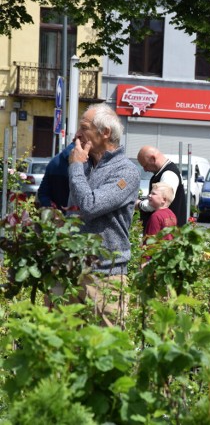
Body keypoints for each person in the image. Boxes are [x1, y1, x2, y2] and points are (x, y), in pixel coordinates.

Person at [66, 103, 140, 327]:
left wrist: (76, 168)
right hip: (72, 270)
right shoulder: (85, 165)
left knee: (107, 351)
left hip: (106, 276)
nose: (78, 134)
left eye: (84, 128)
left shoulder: (126, 172)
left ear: (105, 132)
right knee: (63, 349)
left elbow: (90, 206)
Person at [136, 146, 187, 230]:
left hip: (165, 234)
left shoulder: (169, 174)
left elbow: (158, 201)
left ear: (153, 158)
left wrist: (139, 204)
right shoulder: (165, 172)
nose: (145, 170)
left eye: (145, 165)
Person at [37, 142, 74, 210]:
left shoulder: (54, 161)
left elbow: (43, 192)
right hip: (76, 217)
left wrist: (50, 207)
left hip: (56, 215)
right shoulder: (86, 163)